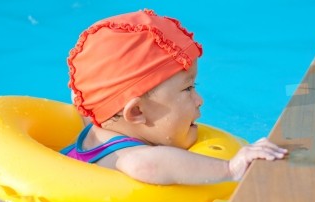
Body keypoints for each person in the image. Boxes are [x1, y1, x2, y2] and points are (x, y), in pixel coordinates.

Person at [61, 9, 287, 185]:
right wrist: (230, 168)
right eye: (188, 88)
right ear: (136, 111)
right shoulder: (126, 154)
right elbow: (147, 164)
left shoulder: (95, 125)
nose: (200, 100)